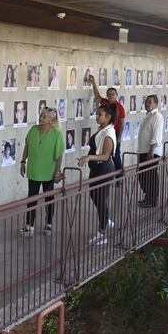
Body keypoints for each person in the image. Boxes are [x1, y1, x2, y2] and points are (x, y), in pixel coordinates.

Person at [19, 107, 64, 237]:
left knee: (49, 199)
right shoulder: (33, 130)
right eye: (41, 115)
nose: (41, 117)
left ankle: (49, 224)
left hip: (48, 173)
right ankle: (29, 225)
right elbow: (27, 146)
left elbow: (59, 156)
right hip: (33, 171)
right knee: (32, 199)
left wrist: (57, 173)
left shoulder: (57, 134)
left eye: (44, 116)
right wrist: (23, 162)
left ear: (52, 120)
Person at [77, 103, 118, 245]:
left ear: (108, 117)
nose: (97, 116)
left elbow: (106, 156)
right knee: (95, 195)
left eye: (100, 114)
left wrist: (89, 157)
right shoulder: (103, 129)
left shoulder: (109, 133)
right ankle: (106, 220)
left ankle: (102, 233)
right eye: (97, 113)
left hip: (104, 169)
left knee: (100, 199)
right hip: (97, 170)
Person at [137, 95, 164, 208]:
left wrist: (151, 151)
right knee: (143, 176)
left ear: (156, 104)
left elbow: (156, 135)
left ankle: (152, 200)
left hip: (151, 152)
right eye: (146, 102)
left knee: (150, 176)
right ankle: (148, 197)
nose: (147, 104)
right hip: (144, 151)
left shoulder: (157, 116)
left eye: (150, 102)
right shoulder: (148, 116)